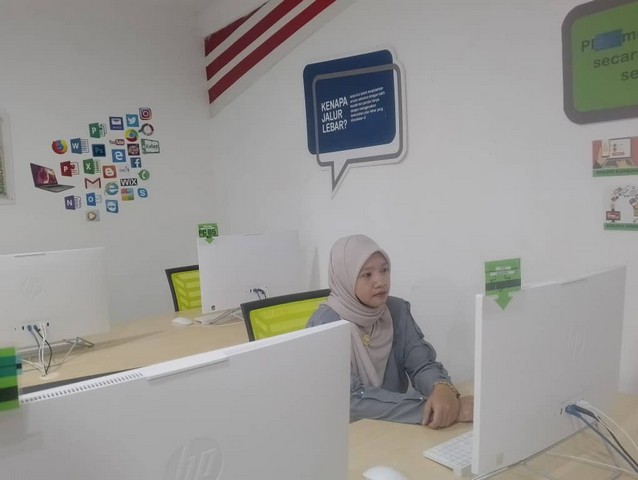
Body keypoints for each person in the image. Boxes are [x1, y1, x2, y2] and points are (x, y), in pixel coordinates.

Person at [307, 234, 473, 428]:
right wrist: (430, 410)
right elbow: (350, 400)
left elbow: (421, 364)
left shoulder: (396, 311)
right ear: (345, 278)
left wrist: (441, 387)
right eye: (367, 275)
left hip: (395, 428)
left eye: (384, 270)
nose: (380, 281)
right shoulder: (324, 325)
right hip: (345, 433)